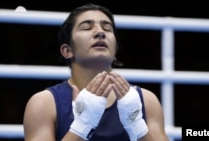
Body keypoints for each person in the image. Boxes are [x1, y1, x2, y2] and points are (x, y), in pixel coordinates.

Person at [23, 3, 169, 141]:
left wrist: (137, 126)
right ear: (67, 51)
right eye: (87, 28)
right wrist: (81, 127)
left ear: (115, 51)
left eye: (107, 29)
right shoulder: (44, 103)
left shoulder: (145, 100)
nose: (100, 32)